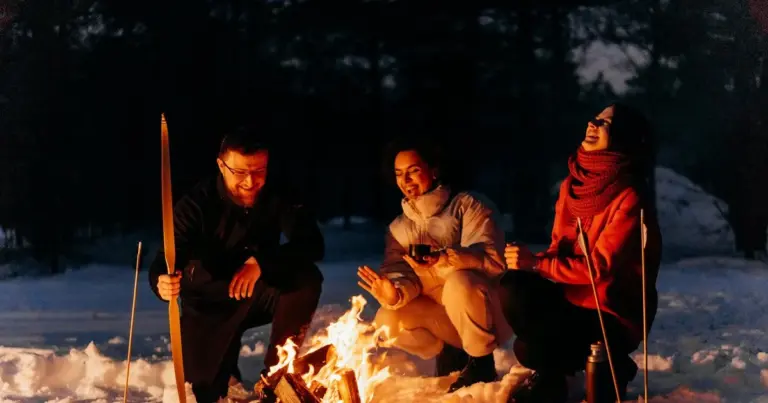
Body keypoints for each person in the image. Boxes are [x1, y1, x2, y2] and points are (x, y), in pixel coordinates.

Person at [148, 128, 325, 403]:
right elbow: (166, 258)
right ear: (221, 165)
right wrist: (161, 281)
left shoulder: (279, 194)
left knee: (305, 279)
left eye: (259, 171)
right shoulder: (196, 203)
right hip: (209, 303)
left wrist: (261, 263)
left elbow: (312, 244)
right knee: (205, 389)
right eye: (240, 172)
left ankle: (276, 375)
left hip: (259, 292)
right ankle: (224, 366)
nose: (250, 181)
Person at [501, 103, 662, 402]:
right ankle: (554, 374)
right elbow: (557, 248)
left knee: (533, 346)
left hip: (609, 315)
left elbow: (598, 267)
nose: (593, 123)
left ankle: (609, 362)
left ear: (622, 135)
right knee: (514, 292)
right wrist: (528, 266)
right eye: (595, 118)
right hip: (569, 301)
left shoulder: (629, 195)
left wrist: (536, 264)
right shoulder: (571, 186)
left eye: (605, 123)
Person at [357, 138, 513, 392]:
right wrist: (395, 292)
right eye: (399, 174)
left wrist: (446, 259)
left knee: (458, 282)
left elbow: (493, 260)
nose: (406, 181)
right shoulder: (399, 229)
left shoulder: (469, 206)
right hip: (444, 320)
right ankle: (449, 351)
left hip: (489, 315)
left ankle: (481, 362)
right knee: (388, 317)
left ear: (434, 170)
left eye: (413, 171)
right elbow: (402, 272)